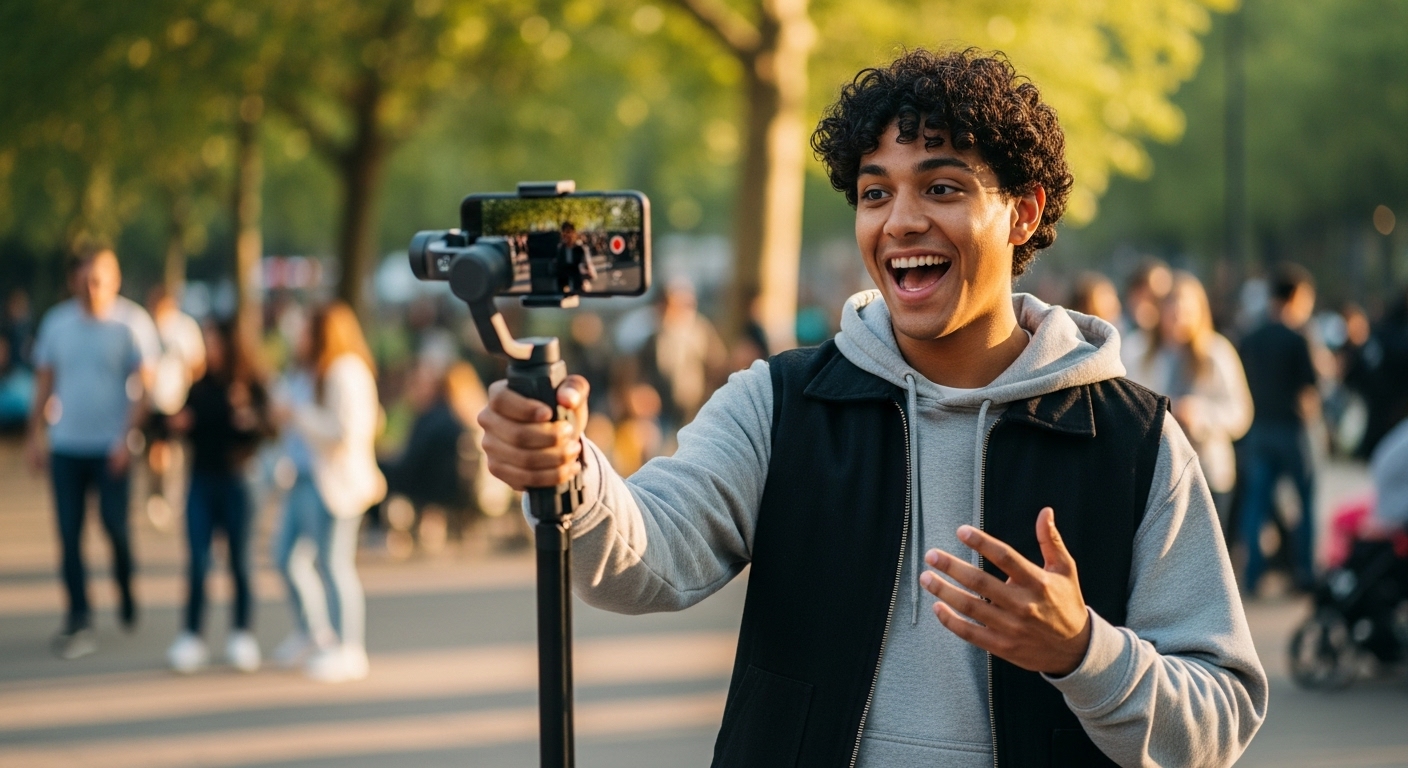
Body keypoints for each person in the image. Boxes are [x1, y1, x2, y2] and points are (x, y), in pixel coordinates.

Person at [479, 49, 1266, 767]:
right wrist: (569, 472)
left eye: (943, 187)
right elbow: (646, 560)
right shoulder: (781, 402)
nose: (901, 221)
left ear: (1023, 212)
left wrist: (1082, 650)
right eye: (874, 193)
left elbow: (1220, 717)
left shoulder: (1135, 438)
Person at [25, 247, 160, 659]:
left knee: (114, 527)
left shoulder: (132, 324)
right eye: (86, 279)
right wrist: (36, 434)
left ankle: (124, 582)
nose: (94, 287)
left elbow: (145, 388)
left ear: (116, 279)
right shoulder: (57, 324)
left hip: (111, 448)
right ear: (74, 281)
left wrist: (127, 438)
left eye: (102, 278)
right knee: (69, 534)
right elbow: (45, 383)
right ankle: (78, 617)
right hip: (67, 445)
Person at [271, 301, 385, 682]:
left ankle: (350, 647)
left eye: (305, 329)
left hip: (336, 484)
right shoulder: (309, 371)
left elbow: (345, 432)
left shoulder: (345, 371)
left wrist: (297, 415)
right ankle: (314, 633)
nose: (298, 337)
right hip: (304, 478)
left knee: (335, 565)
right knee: (287, 557)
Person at [166, 321, 271, 673]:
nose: (209, 351)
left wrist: (250, 421)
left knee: (240, 562)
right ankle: (191, 636)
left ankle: (242, 634)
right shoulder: (198, 387)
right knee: (197, 562)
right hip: (201, 480)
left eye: (214, 343)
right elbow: (182, 425)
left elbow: (267, 431)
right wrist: (177, 424)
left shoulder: (251, 386)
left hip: (239, 481)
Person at [1124, 272, 1253, 532]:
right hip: (1154, 475)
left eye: (1186, 311)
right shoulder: (1137, 351)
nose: (1178, 318)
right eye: (1172, 310)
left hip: (1207, 472)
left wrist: (1201, 415)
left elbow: (1241, 412)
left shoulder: (1216, 352)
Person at [1238, 263, 1321, 594]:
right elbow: (1309, 391)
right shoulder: (1299, 338)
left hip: (1258, 429)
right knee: (1304, 501)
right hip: (1292, 430)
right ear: (1297, 296)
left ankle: (1252, 574)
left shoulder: (1250, 338)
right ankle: (1304, 572)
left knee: (1256, 505)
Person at [142, 285, 206, 529]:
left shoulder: (185, 328)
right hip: (154, 401)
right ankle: (158, 497)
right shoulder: (147, 327)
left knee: (178, 452)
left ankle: (175, 495)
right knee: (157, 451)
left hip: (179, 399)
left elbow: (197, 363)